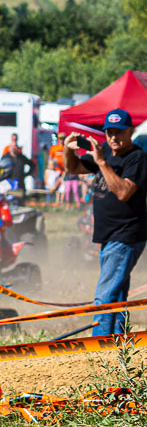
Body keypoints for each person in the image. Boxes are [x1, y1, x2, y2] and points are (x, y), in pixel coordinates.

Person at [64, 109, 147, 336]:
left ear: (130, 131)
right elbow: (73, 168)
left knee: (104, 295)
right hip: (108, 235)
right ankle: (117, 343)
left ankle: (98, 344)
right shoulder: (106, 152)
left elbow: (124, 192)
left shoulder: (137, 158)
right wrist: (68, 149)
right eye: (109, 132)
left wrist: (101, 162)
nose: (113, 137)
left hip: (126, 235)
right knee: (116, 295)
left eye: (119, 132)